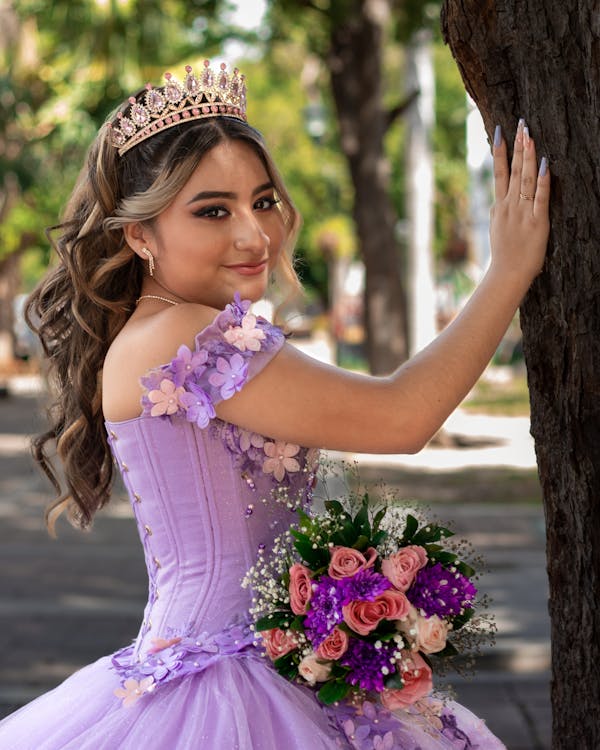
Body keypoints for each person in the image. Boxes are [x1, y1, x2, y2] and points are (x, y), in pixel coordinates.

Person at [0, 61, 549, 749]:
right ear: (138, 234)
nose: (254, 236)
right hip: (225, 689)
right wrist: (507, 273)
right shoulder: (182, 334)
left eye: (262, 201)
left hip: (261, 669)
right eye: (213, 210)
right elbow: (401, 417)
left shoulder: (157, 330)